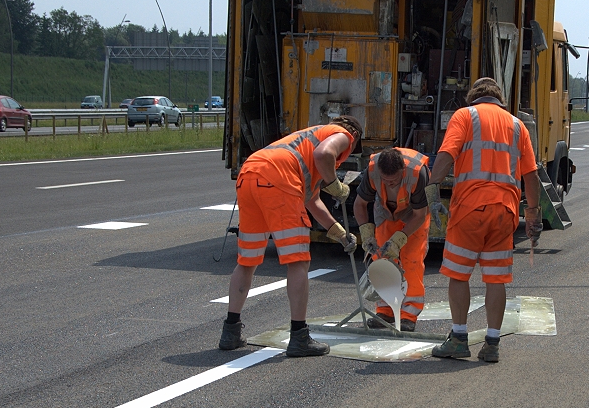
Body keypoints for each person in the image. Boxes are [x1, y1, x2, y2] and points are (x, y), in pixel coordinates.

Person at [218, 116, 361, 356]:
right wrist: (335, 185)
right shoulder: (343, 134)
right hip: (279, 180)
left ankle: (230, 332)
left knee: (247, 260)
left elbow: (312, 201)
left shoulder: (304, 142)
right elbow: (324, 154)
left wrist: (340, 234)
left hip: (250, 174)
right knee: (298, 261)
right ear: (355, 138)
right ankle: (299, 337)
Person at [428, 77, 542, 363]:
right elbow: (531, 175)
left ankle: (459, 338)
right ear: (498, 99)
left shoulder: (464, 116)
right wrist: (532, 215)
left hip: (470, 209)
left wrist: (432, 190)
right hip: (505, 211)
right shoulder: (518, 126)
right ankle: (492, 343)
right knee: (496, 279)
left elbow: (446, 154)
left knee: (458, 274)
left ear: (473, 98)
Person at [354, 147, 431, 331]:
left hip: (413, 214)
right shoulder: (372, 169)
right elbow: (359, 204)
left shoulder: (417, 172)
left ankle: (408, 315)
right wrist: (366, 232)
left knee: (411, 260)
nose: (389, 184)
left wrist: (399, 239)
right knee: (381, 260)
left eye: (394, 180)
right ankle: (385, 309)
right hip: (385, 212)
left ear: (402, 171)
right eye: (385, 180)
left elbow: (420, 214)